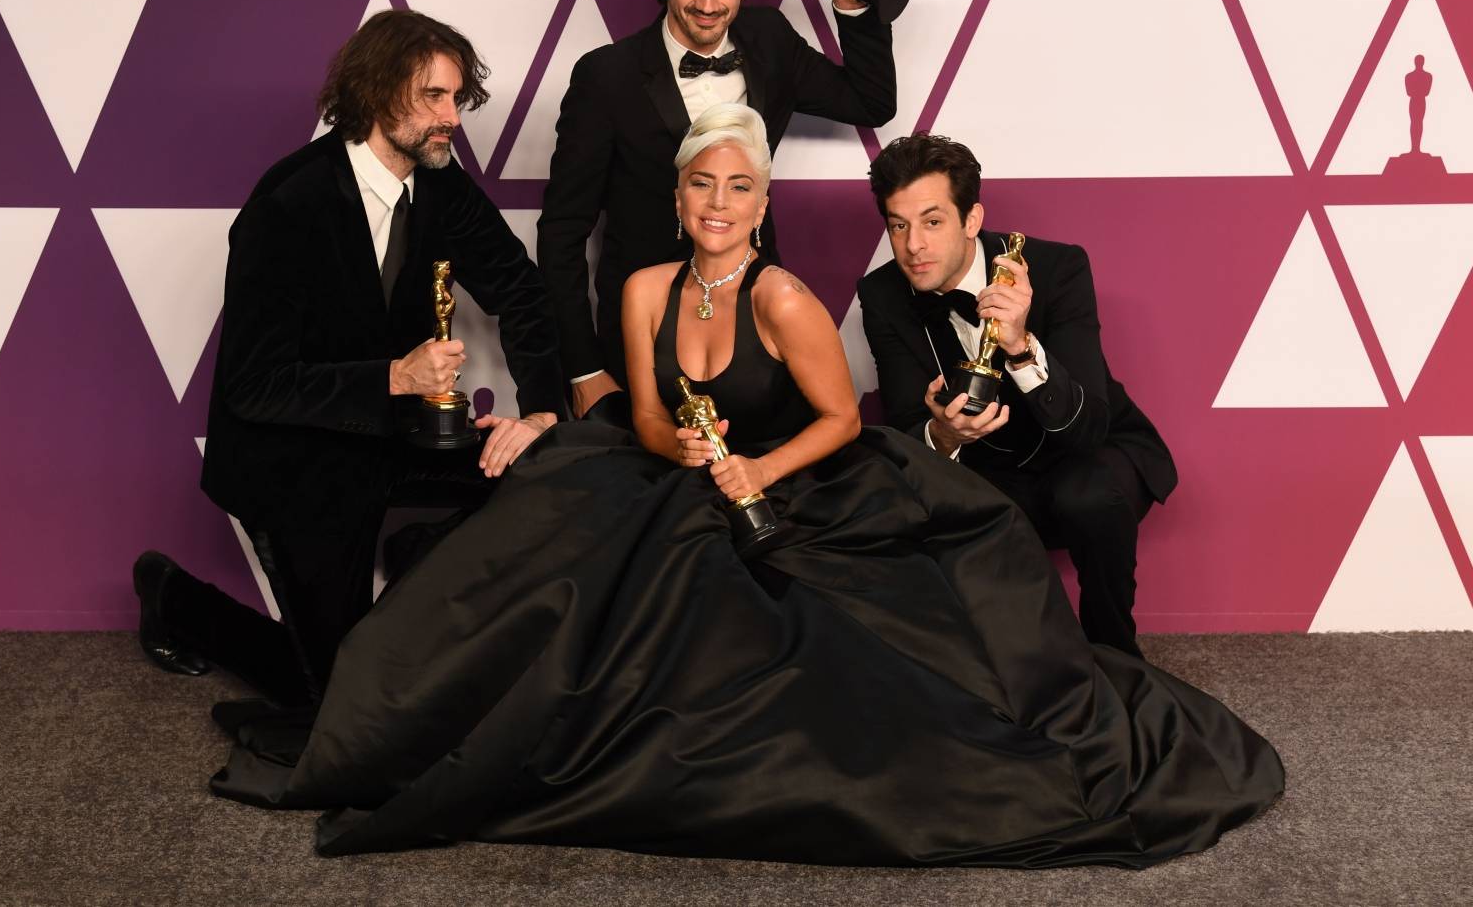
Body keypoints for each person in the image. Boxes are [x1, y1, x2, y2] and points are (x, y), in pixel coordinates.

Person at [210, 105, 1281, 867]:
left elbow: (837, 420)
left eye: (738, 187)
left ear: (761, 203)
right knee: (520, 552)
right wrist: (666, 445)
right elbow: (638, 408)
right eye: (700, 184)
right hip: (661, 472)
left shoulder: (790, 300)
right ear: (677, 197)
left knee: (790, 648)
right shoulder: (636, 288)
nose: (718, 203)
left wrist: (755, 469)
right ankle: (378, 719)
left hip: (794, 480)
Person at [133, 9, 566, 706]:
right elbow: (256, 385)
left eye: (457, 97)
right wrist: (396, 375)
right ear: (374, 93)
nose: (451, 116)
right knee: (337, 704)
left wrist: (543, 412)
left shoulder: (442, 185)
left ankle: (415, 554)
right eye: (432, 95)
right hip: (297, 458)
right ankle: (175, 598)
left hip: (399, 438)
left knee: (551, 471)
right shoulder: (288, 206)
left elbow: (522, 292)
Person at [537, 0, 897, 423]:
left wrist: (850, 4)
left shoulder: (770, 40)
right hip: (645, 334)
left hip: (755, 328)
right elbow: (563, 230)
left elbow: (871, 102)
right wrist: (584, 370)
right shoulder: (605, 76)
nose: (709, 3)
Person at [855, 133, 1176, 658]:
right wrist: (943, 432)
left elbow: (1088, 428)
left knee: (1087, 493)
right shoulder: (882, 294)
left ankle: (1117, 657)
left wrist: (1022, 347)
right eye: (898, 225)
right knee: (919, 511)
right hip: (991, 465)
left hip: (1091, 450)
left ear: (972, 220)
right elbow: (906, 425)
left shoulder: (1058, 269)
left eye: (933, 222)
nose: (914, 245)